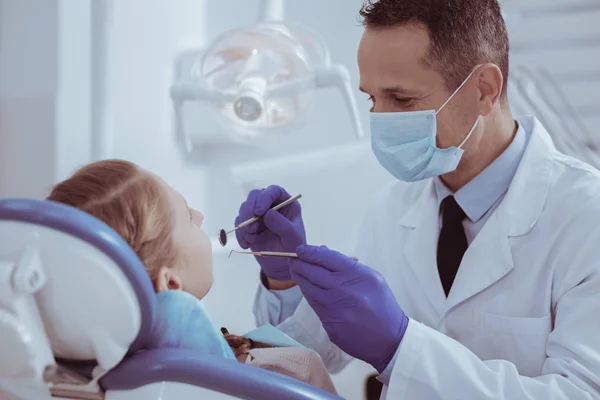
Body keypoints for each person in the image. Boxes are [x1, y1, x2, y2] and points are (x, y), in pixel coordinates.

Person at [235, 0, 600, 398]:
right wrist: (285, 281)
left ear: (484, 90)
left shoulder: (585, 216)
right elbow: (314, 356)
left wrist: (401, 350)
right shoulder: (393, 207)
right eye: (372, 99)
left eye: (403, 100)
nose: (382, 122)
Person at [47, 159, 337, 395]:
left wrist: (284, 281)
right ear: (171, 284)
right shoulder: (289, 373)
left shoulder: (78, 372)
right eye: (187, 216)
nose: (199, 216)